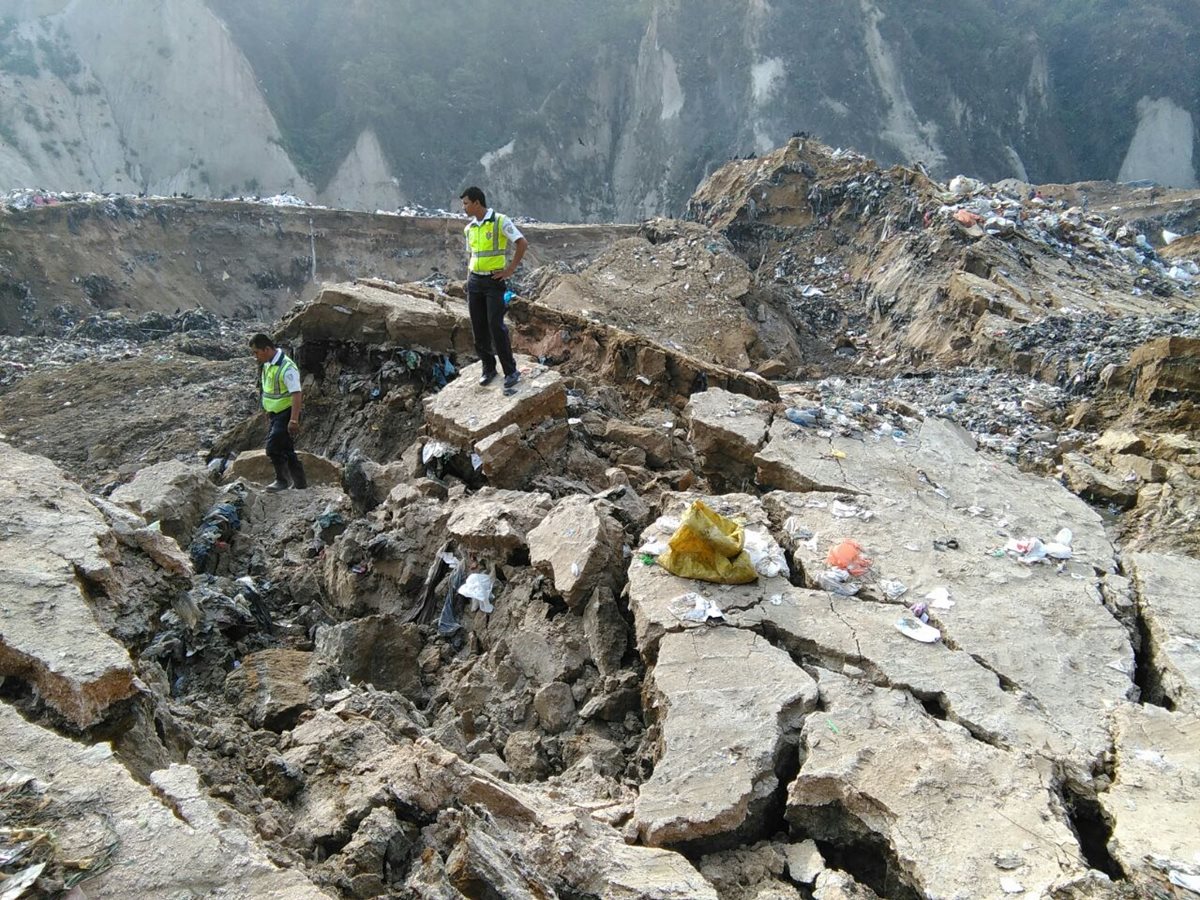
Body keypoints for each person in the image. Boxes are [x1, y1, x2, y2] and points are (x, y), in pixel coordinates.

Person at [459, 186, 527, 391]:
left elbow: (522, 243)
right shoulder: (469, 228)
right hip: (475, 282)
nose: (464, 208)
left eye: (466, 203)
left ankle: (510, 371)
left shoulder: (500, 221)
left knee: (495, 326)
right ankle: (488, 368)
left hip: (493, 282)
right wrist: (468, 279)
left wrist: (509, 270)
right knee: (478, 327)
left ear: (477, 203)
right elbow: (472, 256)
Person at [249, 333, 307, 492]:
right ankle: (300, 483)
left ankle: (282, 480)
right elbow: (269, 390)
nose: (255, 356)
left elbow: (296, 393)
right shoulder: (268, 364)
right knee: (287, 448)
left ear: (266, 349)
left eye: (256, 352)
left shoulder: (287, 367)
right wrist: (268, 410)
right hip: (275, 414)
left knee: (273, 448)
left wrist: (293, 420)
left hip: (286, 413)